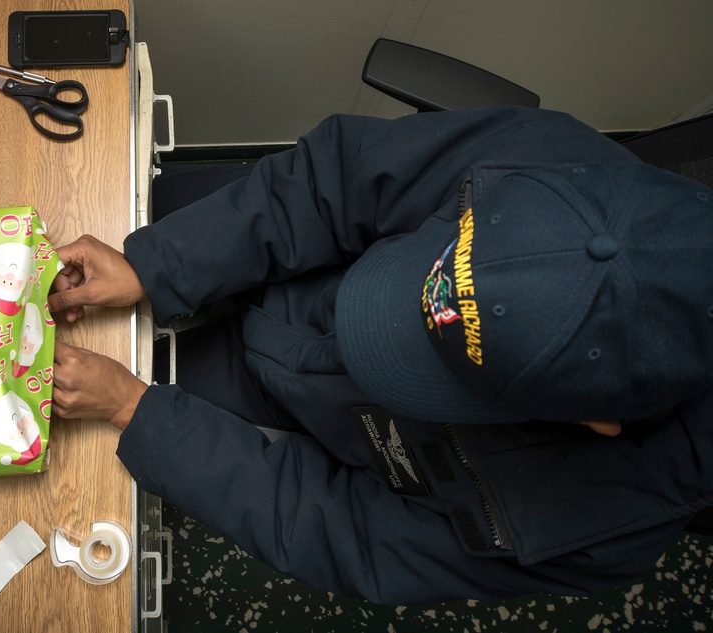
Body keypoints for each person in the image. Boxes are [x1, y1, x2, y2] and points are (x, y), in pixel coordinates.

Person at [47, 106, 713, 605]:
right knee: (100, 210)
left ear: (593, 423)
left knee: (72, 453)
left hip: (308, 420)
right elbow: (336, 180)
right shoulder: (557, 167)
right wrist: (154, 264)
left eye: (442, 367)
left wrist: (140, 412)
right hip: (292, 242)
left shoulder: (594, 525)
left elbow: (337, 530)